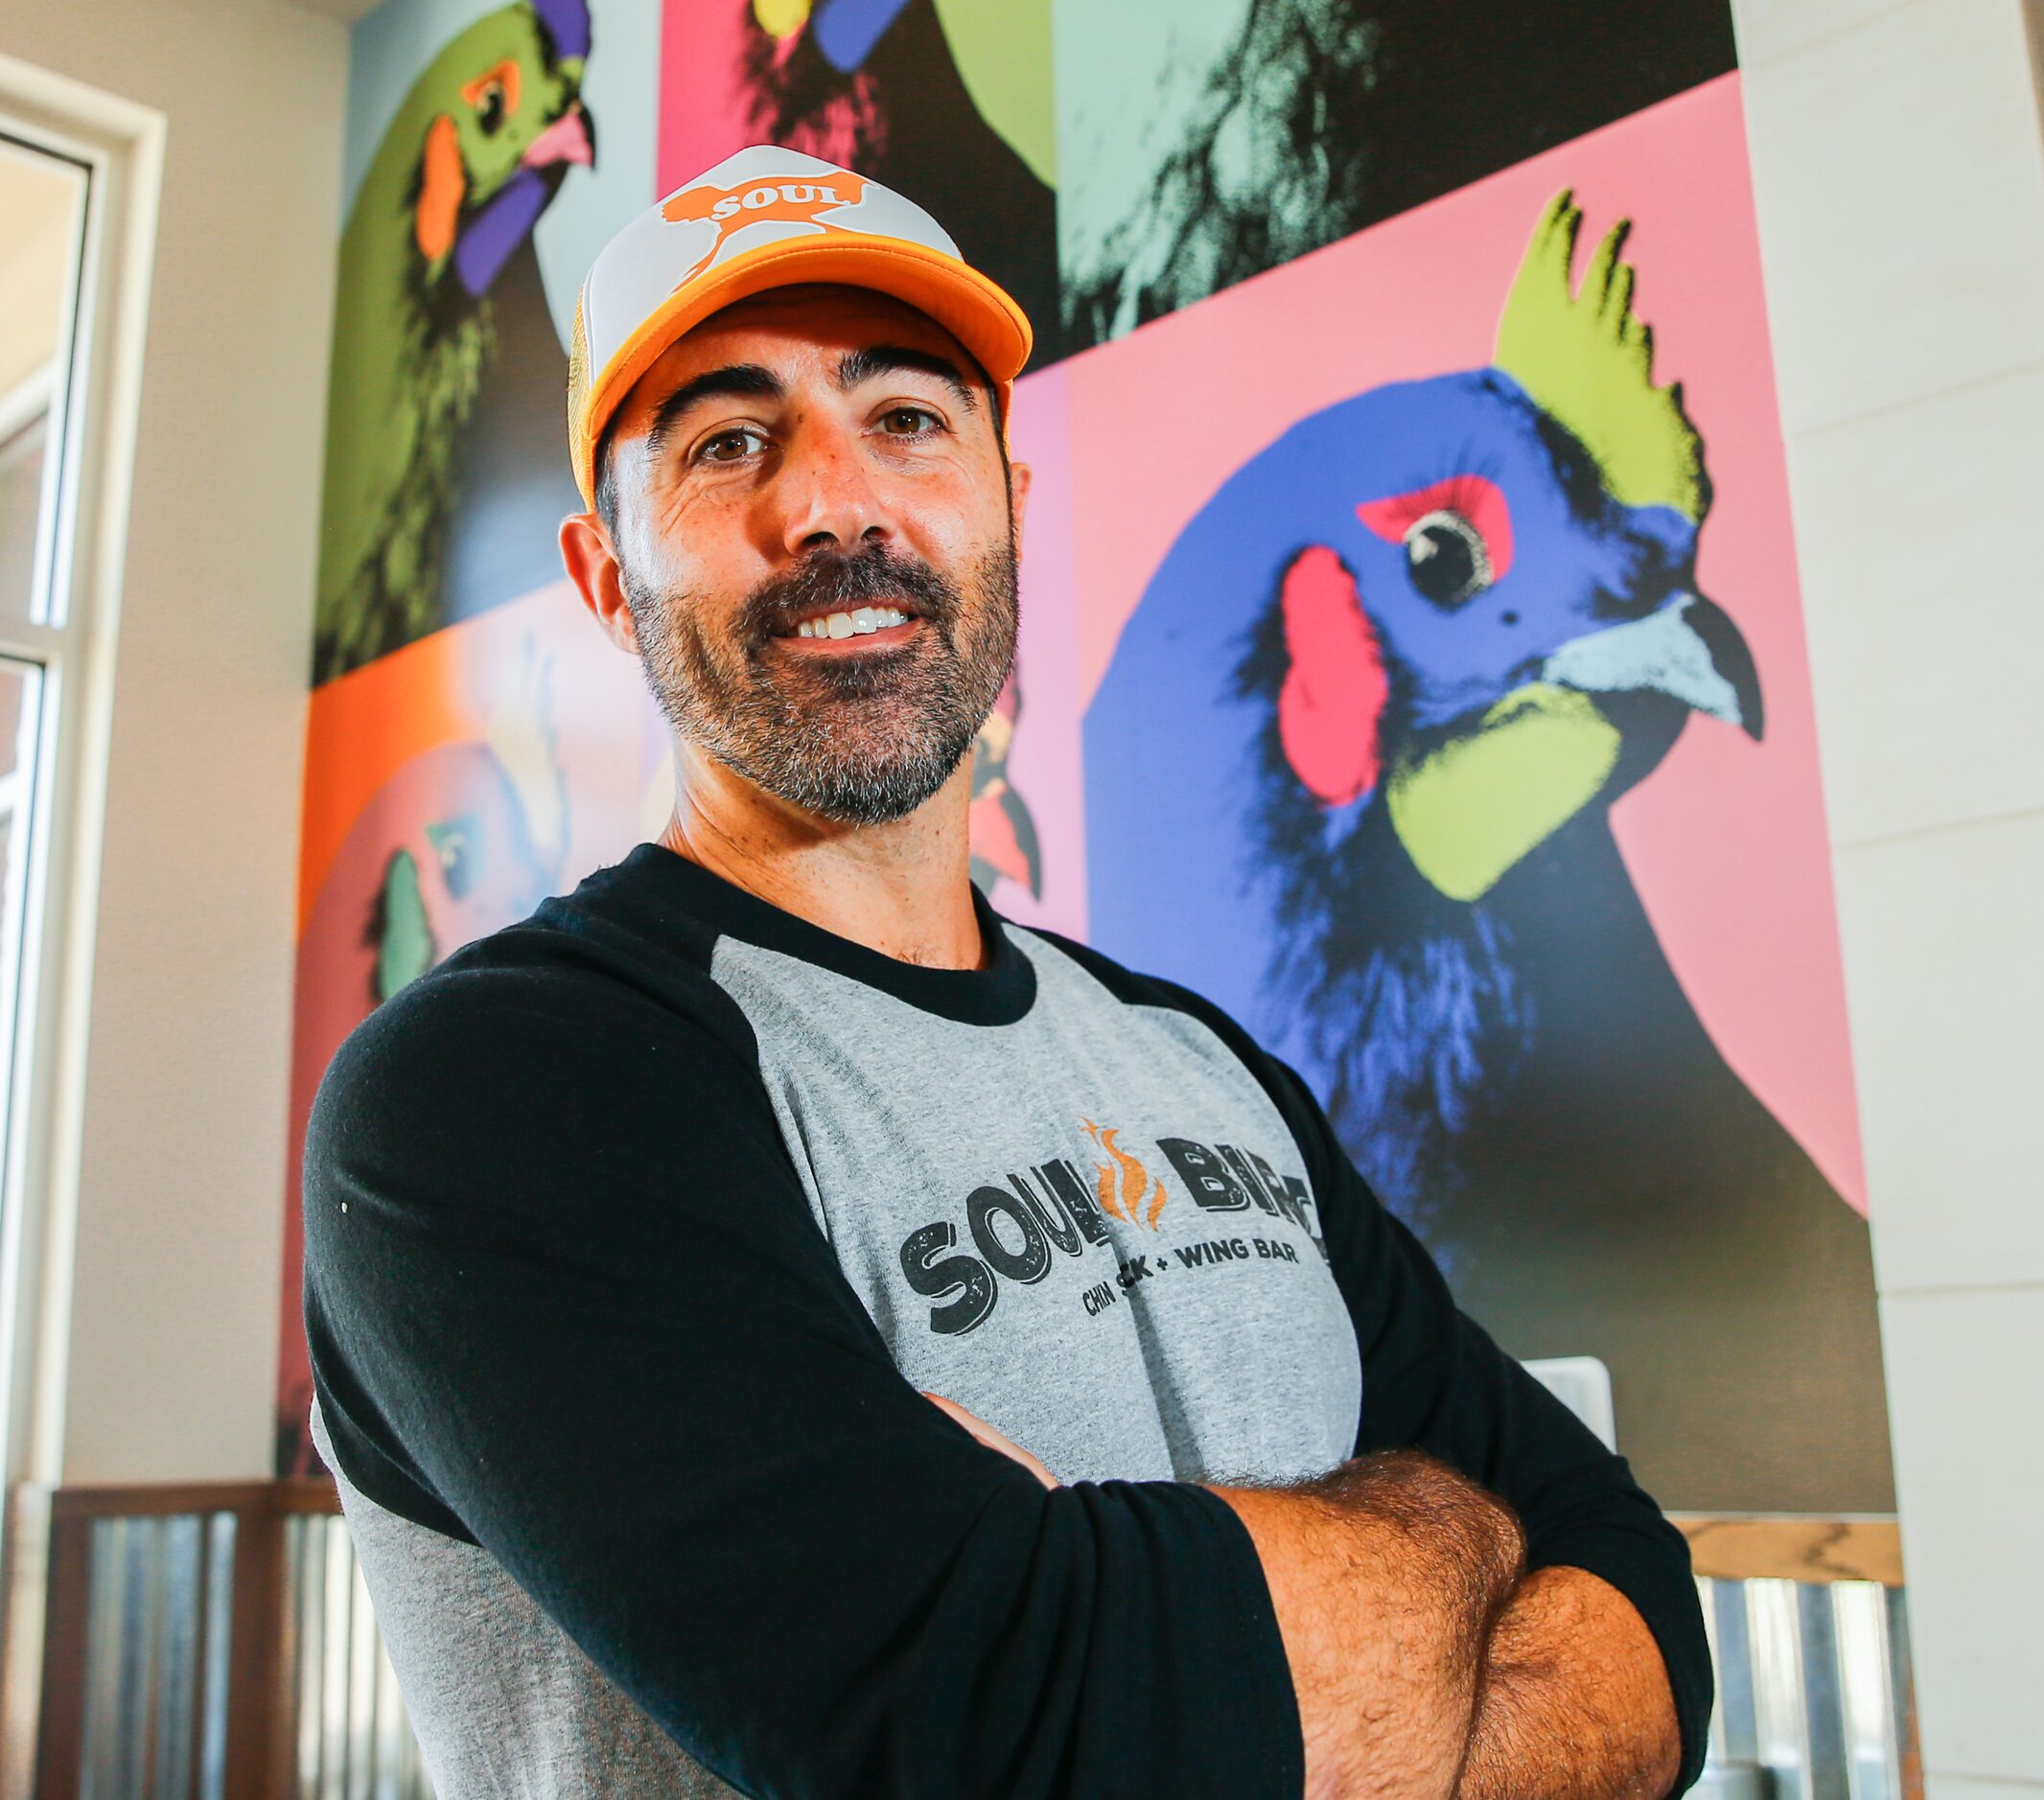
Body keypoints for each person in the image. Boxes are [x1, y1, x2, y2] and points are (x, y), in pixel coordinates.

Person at [304, 145, 1711, 1800]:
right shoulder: (495, 1099)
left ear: (1010, 508)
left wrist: (1150, 1614)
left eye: (905, 417)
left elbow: (1643, 1592)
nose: (835, 500)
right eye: (729, 440)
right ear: (610, 579)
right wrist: (1457, 1533)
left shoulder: (1202, 1067)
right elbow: (1015, 1742)